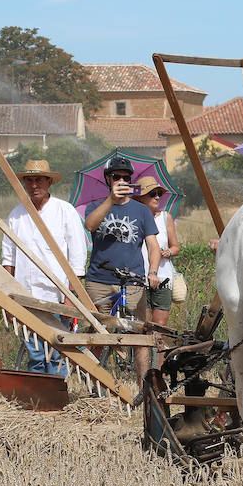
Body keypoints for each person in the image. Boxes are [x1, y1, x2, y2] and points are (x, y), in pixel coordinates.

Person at [1, 160, 86, 375]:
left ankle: (57, 397)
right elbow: (8, 260)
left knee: (57, 350)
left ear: (49, 182)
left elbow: (77, 256)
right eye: (29, 180)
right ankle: (39, 398)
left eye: (38, 180)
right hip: (26, 294)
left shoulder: (64, 211)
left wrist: (71, 295)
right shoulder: (16, 215)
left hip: (56, 295)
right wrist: (8, 297)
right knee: (36, 352)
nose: (34, 185)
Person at [83, 155, 161, 377]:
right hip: (99, 279)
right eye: (116, 177)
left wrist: (153, 272)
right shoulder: (96, 206)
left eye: (126, 178)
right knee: (98, 331)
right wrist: (111, 199)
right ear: (108, 179)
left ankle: (143, 385)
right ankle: (93, 382)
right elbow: (90, 225)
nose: (121, 181)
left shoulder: (141, 211)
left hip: (132, 281)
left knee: (138, 334)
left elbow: (153, 246)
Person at [133, 177, 180, 330]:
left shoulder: (166, 217)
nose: (157, 197)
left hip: (163, 276)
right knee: (143, 325)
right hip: (140, 277)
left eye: (159, 193)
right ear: (141, 198)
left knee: (161, 327)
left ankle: (159, 355)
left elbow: (176, 247)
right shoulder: (134, 218)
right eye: (152, 193)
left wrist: (168, 252)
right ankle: (144, 355)